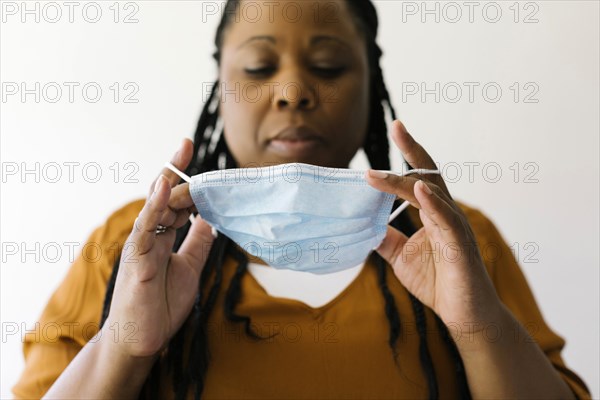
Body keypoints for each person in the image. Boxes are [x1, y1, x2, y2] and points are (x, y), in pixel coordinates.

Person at [13, 0, 592, 399]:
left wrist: (477, 326)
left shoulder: (453, 241)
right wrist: (125, 347)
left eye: (329, 66)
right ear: (221, 86)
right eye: (261, 67)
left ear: (372, 86)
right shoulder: (137, 244)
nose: (292, 91)